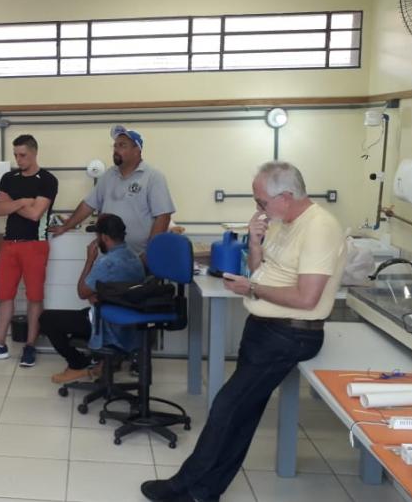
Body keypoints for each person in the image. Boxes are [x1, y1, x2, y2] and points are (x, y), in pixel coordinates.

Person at [141, 161, 345, 502]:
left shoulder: (320, 227)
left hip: (290, 334)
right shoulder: (281, 222)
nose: (258, 208)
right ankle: (205, 492)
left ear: (286, 195)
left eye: (261, 202)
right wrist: (254, 242)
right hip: (265, 328)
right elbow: (263, 272)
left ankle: (184, 485)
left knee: (226, 407)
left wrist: (252, 289)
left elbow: (307, 299)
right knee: (242, 414)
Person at [0, 134, 57, 367]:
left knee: (34, 297)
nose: (18, 160)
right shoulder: (8, 177)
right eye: (15, 155)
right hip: (10, 244)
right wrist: (22, 201)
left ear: (34, 153)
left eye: (23, 155)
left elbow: (35, 214)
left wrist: (15, 202)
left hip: (35, 244)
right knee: (5, 295)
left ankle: (30, 346)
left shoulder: (47, 180)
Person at [39, 214, 145, 383]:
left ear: (104, 237)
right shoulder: (135, 258)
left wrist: (89, 260)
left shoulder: (107, 263)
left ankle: (77, 364)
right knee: (79, 315)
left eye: (97, 236)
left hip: (106, 324)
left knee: (47, 319)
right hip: (129, 324)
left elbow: (82, 292)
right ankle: (102, 361)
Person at [50, 125, 175, 256]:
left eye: (122, 145)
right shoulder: (109, 175)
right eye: (115, 146)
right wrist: (66, 226)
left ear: (137, 150)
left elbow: (163, 217)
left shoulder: (153, 177)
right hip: (110, 256)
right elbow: (88, 205)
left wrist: (150, 253)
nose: (116, 150)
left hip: (139, 256)